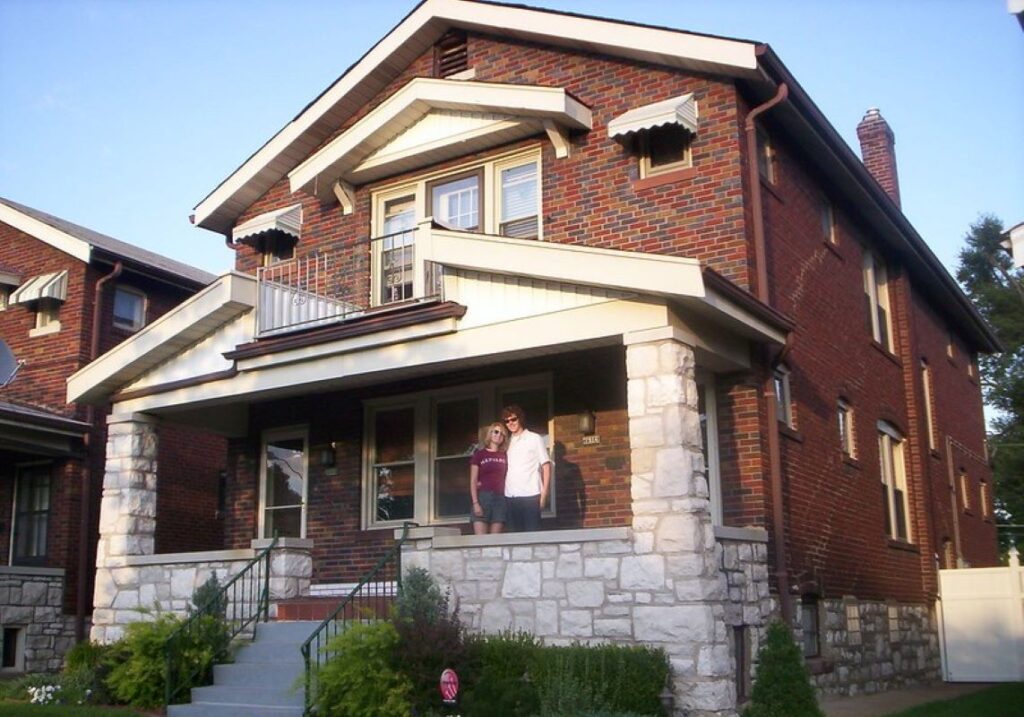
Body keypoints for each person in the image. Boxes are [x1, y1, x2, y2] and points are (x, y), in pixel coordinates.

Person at [502, 404, 552, 532]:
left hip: (531, 494)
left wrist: (544, 494)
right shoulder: (507, 442)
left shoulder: (534, 438)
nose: (510, 423)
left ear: (520, 419)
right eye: (507, 421)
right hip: (510, 495)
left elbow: (546, 466)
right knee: (513, 538)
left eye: (513, 419)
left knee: (532, 537)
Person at [469, 421, 509, 534]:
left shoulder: (506, 455)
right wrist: (476, 503)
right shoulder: (480, 454)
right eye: (496, 432)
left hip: (500, 498)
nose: (498, 435)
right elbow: (473, 481)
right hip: (483, 498)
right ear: (490, 434)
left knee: (495, 542)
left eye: (502, 434)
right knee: (481, 542)